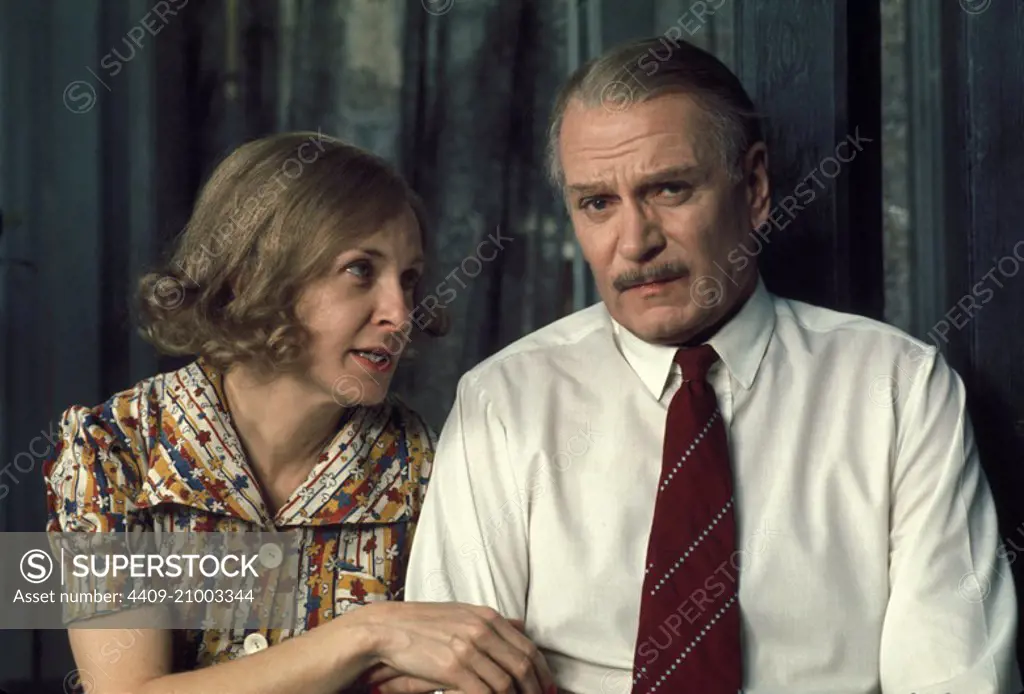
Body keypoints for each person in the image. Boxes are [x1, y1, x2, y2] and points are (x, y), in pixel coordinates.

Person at [404, 37, 1022, 693]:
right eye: (597, 204)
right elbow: (453, 680)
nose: (635, 242)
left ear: (754, 188)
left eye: (669, 189)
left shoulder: (898, 389)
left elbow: (955, 677)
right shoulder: (504, 402)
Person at [42, 132, 556, 694]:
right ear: (252, 274)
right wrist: (366, 635)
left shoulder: (428, 467)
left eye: (408, 279)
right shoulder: (113, 449)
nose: (401, 311)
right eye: (361, 269)